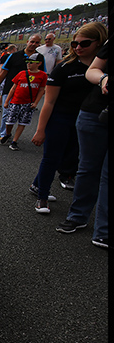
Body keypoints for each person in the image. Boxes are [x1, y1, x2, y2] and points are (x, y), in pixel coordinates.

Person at [30, 22, 107, 215]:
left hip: (87, 120)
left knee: (70, 158)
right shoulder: (64, 68)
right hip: (60, 118)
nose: (78, 48)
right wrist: (41, 130)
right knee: (51, 157)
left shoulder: (105, 69)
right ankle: (42, 196)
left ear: (99, 43)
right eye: (74, 44)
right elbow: (49, 102)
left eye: (84, 44)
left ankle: (37, 184)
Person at [56, 36, 108, 249]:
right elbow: (93, 70)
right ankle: (77, 216)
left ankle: (103, 230)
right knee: (87, 168)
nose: (78, 48)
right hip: (95, 112)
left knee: (107, 174)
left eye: (85, 43)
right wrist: (104, 79)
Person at [0, 34, 45, 142]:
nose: (34, 44)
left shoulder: (39, 58)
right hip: (10, 88)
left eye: (37, 42)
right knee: (7, 112)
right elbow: (4, 71)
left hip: (28, 93)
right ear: (27, 41)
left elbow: (42, 76)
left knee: (23, 116)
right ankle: (4, 134)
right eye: (32, 41)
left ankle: (15, 138)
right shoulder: (14, 56)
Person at [0, 52, 47, 151]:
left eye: (31, 62)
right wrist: (7, 101)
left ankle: (14, 141)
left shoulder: (42, 75)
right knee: (9, 121)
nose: (28, 64)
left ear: (39, 63)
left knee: (22, 122)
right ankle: (8, 134)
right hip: (16, 101)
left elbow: (41, 90)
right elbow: (13, 88)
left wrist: (36, 103)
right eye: (28, 62)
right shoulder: (22, 73)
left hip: (28, 103)